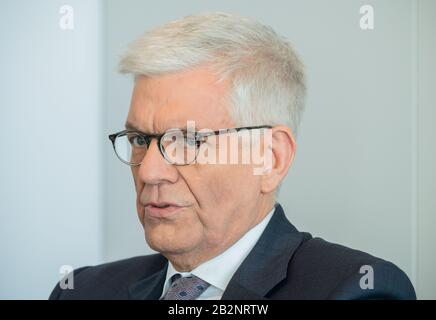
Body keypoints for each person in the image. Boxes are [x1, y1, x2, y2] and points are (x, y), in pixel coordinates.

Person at [49, 12, 416, 300]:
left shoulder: (355, 289)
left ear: (270, 158)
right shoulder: (83, 289)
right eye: (140, 138)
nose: (149, 171)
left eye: (188, 140)